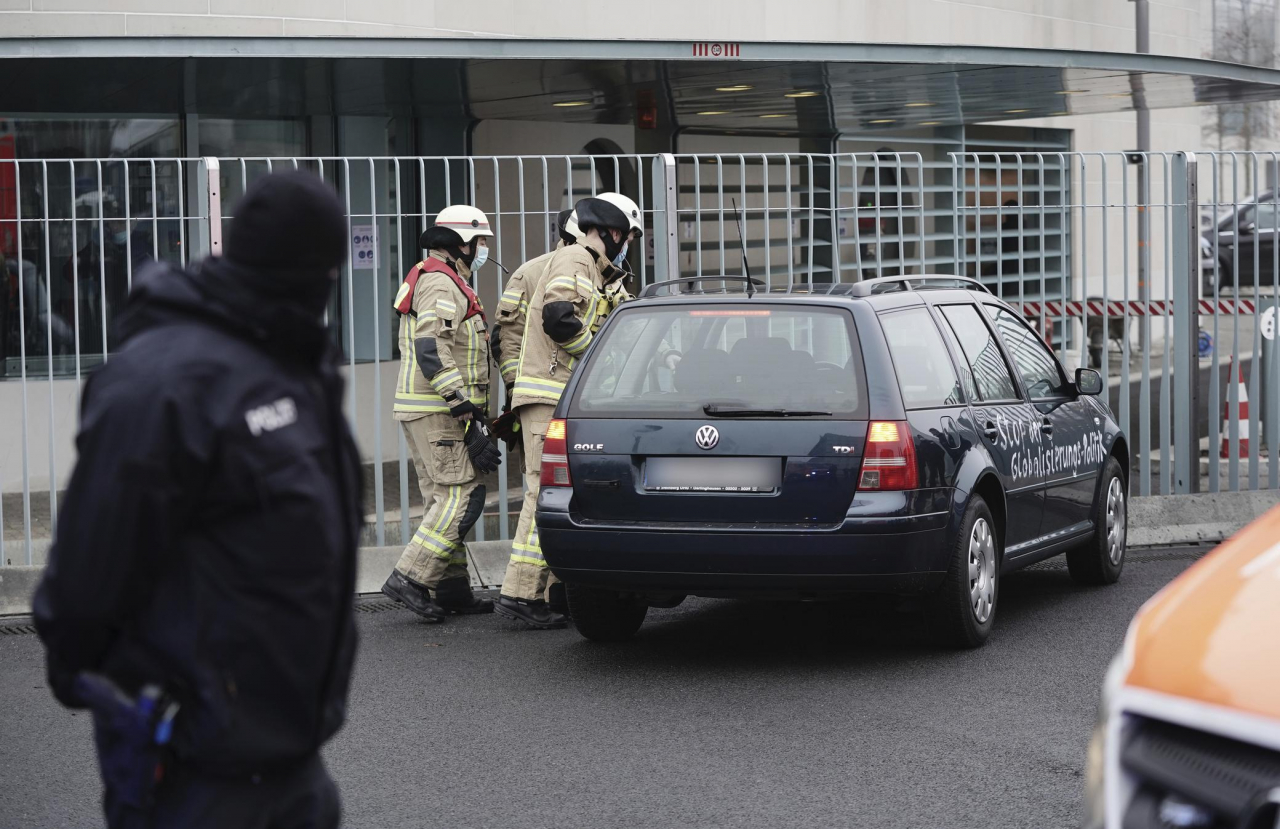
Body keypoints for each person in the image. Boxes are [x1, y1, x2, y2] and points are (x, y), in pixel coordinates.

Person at [32, 170, 363, 829]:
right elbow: (86, 574)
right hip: (192, 775)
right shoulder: (164, 381)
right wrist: (113, 689)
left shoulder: (293, 360)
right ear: (303, 270)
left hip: (294, 764)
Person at [497, 192, 642, 629]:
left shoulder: (598, 270)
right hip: (547, 393)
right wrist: (596, 361)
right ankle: (521, 594)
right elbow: (559, 318)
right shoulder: (577, 259)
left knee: (558, 496)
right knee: (544, 496)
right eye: (627, 236)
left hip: (562, 397)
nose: (627, 244)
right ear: (612, 231)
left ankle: (549, 590)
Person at [381, 204, 503, 622]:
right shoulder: (440, 283)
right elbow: (431, 347)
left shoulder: (442, 279)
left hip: (429, 406)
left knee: (443, 499)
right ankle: (410, 578)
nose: (483, 249)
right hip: (440, 408)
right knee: (462, 495)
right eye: (479, 241)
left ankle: (451, 588)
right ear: (459, 243)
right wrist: (462, 407)